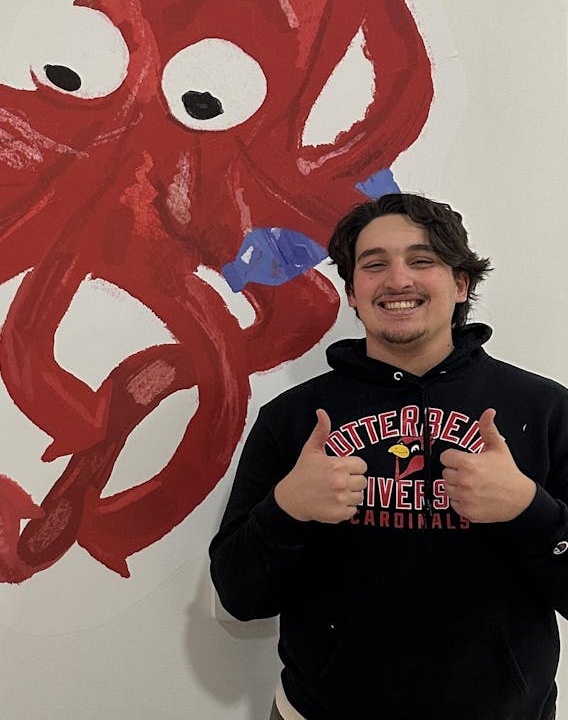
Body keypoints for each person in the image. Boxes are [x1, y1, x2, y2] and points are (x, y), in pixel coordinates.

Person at [209, 193, 568, 720]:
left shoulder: (546, 410)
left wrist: (527, 509)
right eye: (374, 265)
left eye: (422, 261)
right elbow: (239, 597)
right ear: (352, 293)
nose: (398, 280)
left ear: (461, 283)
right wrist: (287, 509)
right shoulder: (294, 419)